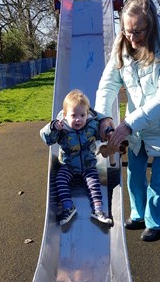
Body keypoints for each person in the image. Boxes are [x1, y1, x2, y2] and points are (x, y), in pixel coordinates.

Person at [95, 0, 160, 241]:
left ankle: (156, 222)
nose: (132, 38)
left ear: (151, 25)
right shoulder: (123, 44)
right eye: (128, 31)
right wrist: (103, 118)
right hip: (138, 125)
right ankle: (139, 213)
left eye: (138, 32)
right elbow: (107, 85)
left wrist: (128, 124)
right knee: (134, 175)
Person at [40, 89, 112, 226]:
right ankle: (68, 207)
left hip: (88, 165)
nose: (78, 119)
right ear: (65, 115)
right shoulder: (61, 128)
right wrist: (52, 127)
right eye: (74, 115)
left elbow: (102, 132)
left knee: (94, 185)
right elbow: (47, 138)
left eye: (82, 115)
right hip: (68, 165)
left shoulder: (91, 126)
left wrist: (108, 131)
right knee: (60, 180)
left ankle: (98, 210)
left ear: (87, 114)